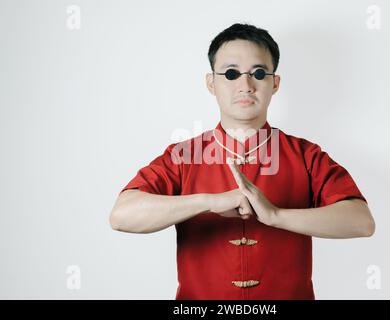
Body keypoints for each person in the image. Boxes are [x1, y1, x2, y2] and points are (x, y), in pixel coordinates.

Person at [109, 23, 375, 300]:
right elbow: (122, 216)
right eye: (231, 73)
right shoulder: (183, 156)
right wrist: (208, 202)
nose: (245, 86)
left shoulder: (306, 155)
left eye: (258, 73)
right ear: (211, 83)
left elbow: (361, 222)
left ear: (275, 83)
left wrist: (276, 216)